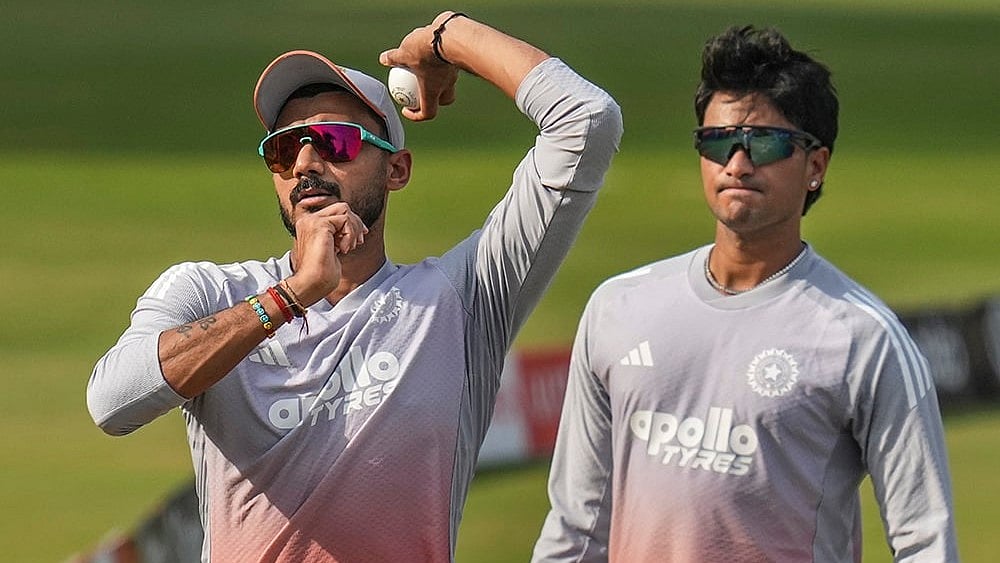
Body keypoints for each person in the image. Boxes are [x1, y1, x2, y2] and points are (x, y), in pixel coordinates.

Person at [87, 11, 622, 563]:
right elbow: (113, 402)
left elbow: (587, 120)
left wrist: (447, 40)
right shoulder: (208, 291)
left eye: (334, 141)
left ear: (397, 170)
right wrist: (291, 294)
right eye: (282, 147)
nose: (304, 163)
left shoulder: (463, 299)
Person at [532, 25, 958, 562]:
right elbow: (577, 525)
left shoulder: (863, 338)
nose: (737, 162)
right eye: (717, 141)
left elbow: (926, 542)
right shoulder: (618, 309)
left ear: (816, 166)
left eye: (765, 142)